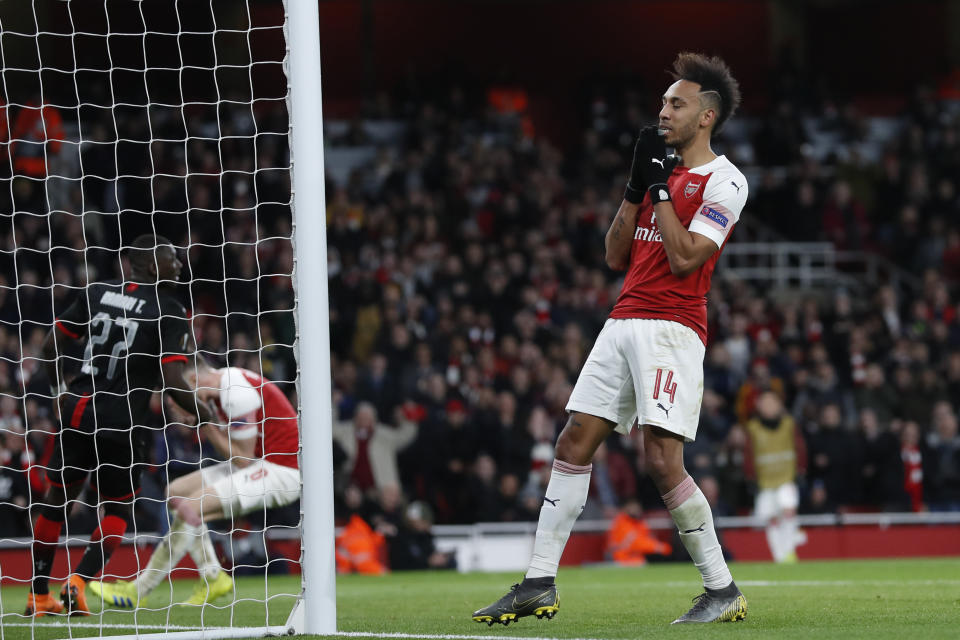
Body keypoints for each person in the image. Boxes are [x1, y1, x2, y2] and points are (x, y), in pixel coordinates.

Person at [473, 52, 749, 626]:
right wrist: (635, 187)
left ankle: (721, 588)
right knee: (573, 442)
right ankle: (538, 582)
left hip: (673, 329)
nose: (663, 110)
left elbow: (685, 258)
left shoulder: (725, 182)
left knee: (661, 459)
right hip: (622, 320)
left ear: (707, 115)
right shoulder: (660, 177)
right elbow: (613, 254)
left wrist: (663, 191)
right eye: (663, 102)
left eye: (676, 102)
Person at [26, 235, 215, 617]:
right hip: (122, 425)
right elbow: (174, 379)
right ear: (148, 264)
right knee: (117, 512)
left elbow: (50, 347)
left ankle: (38, 594)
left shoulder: (96, 292)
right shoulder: (169, 309)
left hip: (77, 412)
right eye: (172, 259)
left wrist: (59, 391)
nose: (180, 265)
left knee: (56, 502)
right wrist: (204, 413)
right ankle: (76, 585)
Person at [88, 357, 300, 607]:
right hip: (258, 462)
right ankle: (213, 576)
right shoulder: (219, 388)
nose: (181, 404)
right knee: (175, 492)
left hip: (282, 471)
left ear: (192, 381)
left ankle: (138, 590)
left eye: (182, 396)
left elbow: (242, 458)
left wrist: (205, 423)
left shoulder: (236, 392)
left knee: (192, 504)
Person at [743, 391, 807, 562]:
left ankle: (790, 551)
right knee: (770, 519)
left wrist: (801, 470)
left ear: (779, 405)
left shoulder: (789, 424)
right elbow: (748, 453)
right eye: (765, 403)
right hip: (765, 482)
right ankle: (780, 556)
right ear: (759, 407)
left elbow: (799, 447)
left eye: (772, 403)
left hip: (787, 478)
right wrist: (750, 477)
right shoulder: (753, 428)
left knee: (788, 509)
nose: (769, 407)